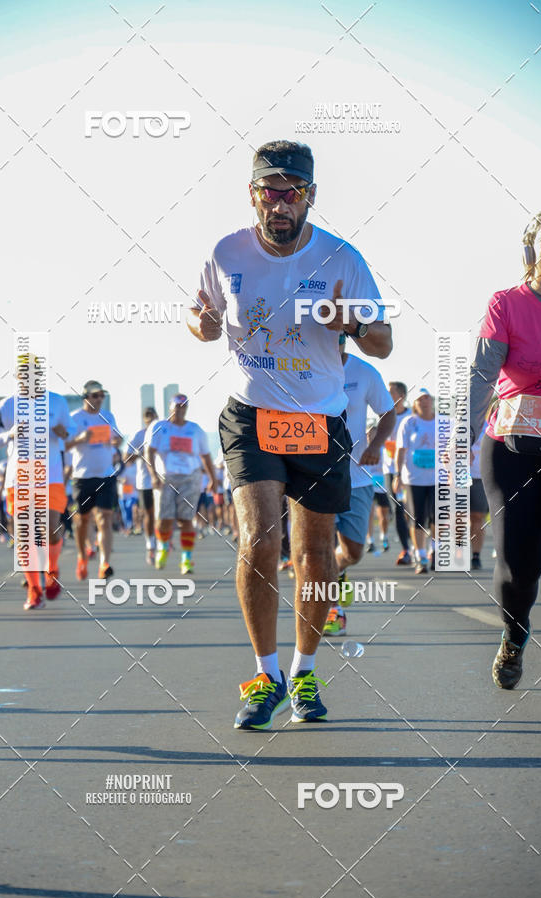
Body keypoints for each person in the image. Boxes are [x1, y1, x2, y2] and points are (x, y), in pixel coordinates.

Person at [189, 139, 392, 729]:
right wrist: (200, 323)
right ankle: (266, 673)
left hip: (320, 421)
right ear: (252, 196)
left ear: (310, 197)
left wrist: (352, 322)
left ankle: (303, 670)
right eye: (268, 193)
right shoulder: (226, 252)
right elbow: (198, 317)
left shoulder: (342, 259)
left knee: (314, 553)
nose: (279, 205)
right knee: (259, 539)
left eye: (292, 193)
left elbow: (383, 343)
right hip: (250, 415)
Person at [469, 210, 541, 689]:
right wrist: (458, 437)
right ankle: (514, 635)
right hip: (513, 448)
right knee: (519, 563)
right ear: (531, 252)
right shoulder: (508, 304)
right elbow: (481, 375)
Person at [0, 373, 77, 609]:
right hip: (20, 478)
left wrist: (64, 433)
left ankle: (51, 568)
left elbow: (73, 432)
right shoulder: (6, 405)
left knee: (51, 530)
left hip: (51, 476)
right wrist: (10, 434)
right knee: (25, 535)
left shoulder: (57, 402)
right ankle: (34, 591)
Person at [323, 339, 395, 637]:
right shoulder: (304, 369)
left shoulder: (365, 372)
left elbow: (388, 414)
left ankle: (339, 570)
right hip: (315, 476)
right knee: (319, 550)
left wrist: (376, 446)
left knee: (353, 551)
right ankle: (332, 611)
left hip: (358, 477)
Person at [145, 393, 216, 574]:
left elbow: (206, 456)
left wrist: (213, 479)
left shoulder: (195, 430)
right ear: (170, 407)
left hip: (190, 478)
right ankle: (163, 547)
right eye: (177, 406)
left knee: (186, 519)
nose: (180, 409)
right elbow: (149, 452)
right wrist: (153, 475)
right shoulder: (159, 427)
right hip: (165, 478)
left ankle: (187, 559)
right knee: (165, 520)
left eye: (183, 406)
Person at [66, 380, 122, 581]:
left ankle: (104, 563)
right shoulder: (74, 418)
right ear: (85, 397)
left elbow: (118, 438)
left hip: (106, 474)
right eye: (95, 395)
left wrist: (115, 440)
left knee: (105, 517)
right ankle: (82, 557)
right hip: (82, 476)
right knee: (83, 520)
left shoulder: (107, 416)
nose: (99, 399)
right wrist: (80, 439)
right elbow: (65, 444)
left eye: (102, 395)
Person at [393, 389, 436, 575]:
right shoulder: (408, 423)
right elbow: (401, 450)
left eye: (427, 398)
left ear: (432, 401)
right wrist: (397, 476)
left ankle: (434, 551)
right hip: (413, 478)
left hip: (438, 478)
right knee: (417, 518)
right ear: (415, 403)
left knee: (438, 518)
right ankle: (420, 557)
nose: (424, 402)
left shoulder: (443, 422)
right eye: (420, 400)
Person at [384, 382, 413, 564]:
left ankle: (422, 547)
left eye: (391, 392)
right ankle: (406, 550)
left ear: (401, 395)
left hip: (411, 471)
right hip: (391, 470)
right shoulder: (384, 416)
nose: (387, 395)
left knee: (415, 511)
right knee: (397, 509)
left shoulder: (412, 417)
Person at [126, 407, 158, 564]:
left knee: (163, 515)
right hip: (144, 481)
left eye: (152, 416)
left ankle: (163, 539)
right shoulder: (138, 435)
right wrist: (138, 453)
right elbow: (126, 458)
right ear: (143, 419)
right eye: (147, 417)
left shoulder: (162, 433)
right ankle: (151, 545)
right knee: (149, 514)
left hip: (162, 480)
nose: (150, 419)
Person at [365, 426, 391, 553]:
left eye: (374, 435)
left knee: (383, 515)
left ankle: (384, 537)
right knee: (369, 514)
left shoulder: (383, 449)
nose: (371, 437)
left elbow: (389, 465)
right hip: (368, 485)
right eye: (369, 435)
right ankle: (370, 541)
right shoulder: (362, 449)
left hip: (381, 486)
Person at [469, 425, 489, 570]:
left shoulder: (488, 424)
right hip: (457, 477)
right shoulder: (453, 422)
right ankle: (458, 551)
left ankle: (476, 555)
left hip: (480, 477)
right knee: (457, 517)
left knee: (477, 516)